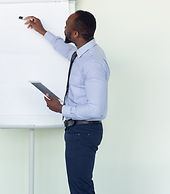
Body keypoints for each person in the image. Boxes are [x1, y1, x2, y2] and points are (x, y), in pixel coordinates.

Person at [24, 10, 110, 194]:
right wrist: (42, 31)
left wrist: (61, 108)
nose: (64, 28)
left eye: (67, 26)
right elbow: (65, 50)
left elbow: (96, 109)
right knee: (79, 187)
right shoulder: (81, 53)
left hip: (83, 132)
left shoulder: (92, 62)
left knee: (80, 189)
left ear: (76, 34)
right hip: (79, 131)